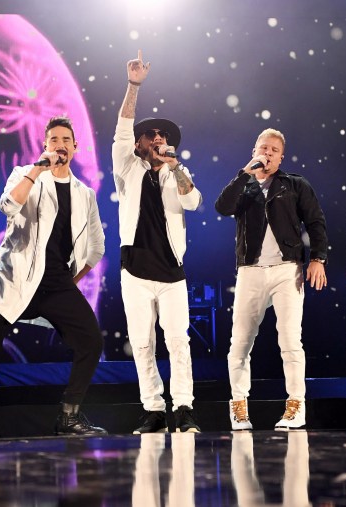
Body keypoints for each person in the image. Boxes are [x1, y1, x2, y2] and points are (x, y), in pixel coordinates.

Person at [0, 116, 107, 438]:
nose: (60, 145)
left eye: (66, 140)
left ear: (75, 147)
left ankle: (69, 416)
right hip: (14, 275)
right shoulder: (27, 175)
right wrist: (38, 169)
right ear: (45, 145)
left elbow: (96, 247)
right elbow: (7, 205)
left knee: (91, 340)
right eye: (54, 139)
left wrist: (72, 281)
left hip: (56, 282)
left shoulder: (84, 194)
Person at [113, 50, 203, 434]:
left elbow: (193, 202)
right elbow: (122, 127)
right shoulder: (127, 168)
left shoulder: (177, 173)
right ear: (137, 145)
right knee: (142, 342)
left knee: (178, 341)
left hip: (171, 272)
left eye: (162, 135)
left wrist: (176, 166)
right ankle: (153, 409)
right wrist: (133, 85)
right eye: (150, 135)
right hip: (135, 270)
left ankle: (183, 407)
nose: (157, 138)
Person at [215, 128, 328, 431]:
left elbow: (316, 221)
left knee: (290, 341)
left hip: (285, 269)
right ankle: (239, 407)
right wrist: (244, 175)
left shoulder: (294, 185)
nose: (267, 153)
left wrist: (318, 258)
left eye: (273, 150)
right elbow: (222, 207)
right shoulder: (245, 187)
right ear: (254, 151)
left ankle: (295, 406)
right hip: (250, 271)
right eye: (262, 147)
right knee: (239, 342)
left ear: (281, 157)